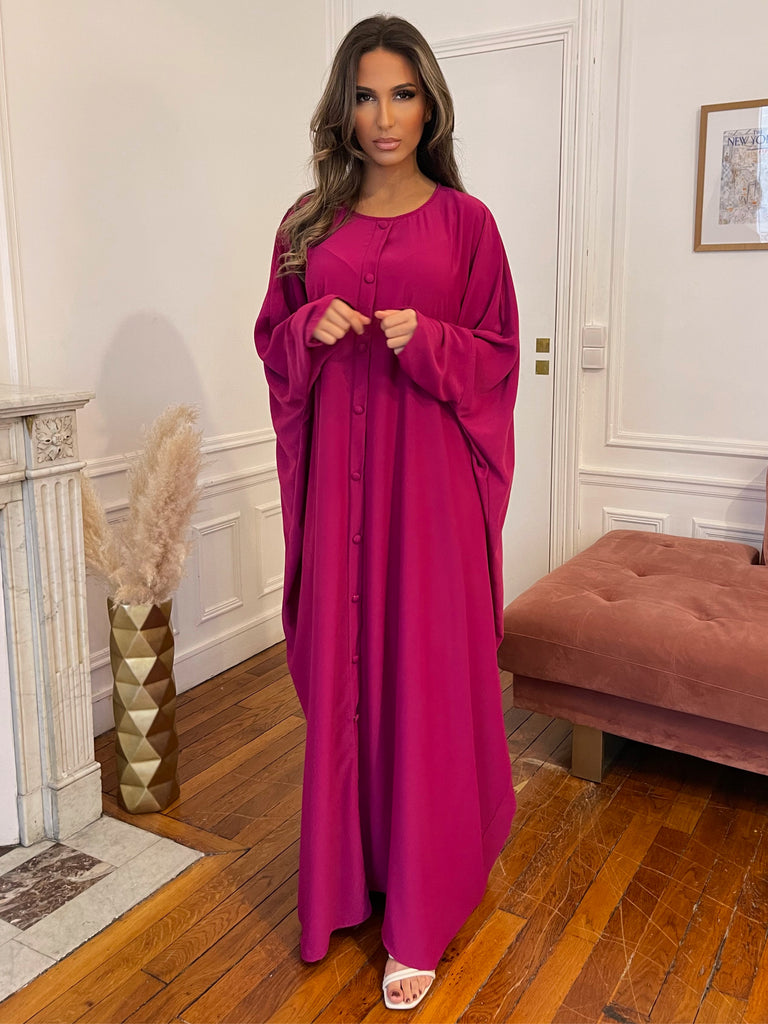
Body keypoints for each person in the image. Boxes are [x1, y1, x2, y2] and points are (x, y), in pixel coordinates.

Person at [254, 14, 519, 1011]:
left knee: (422, 679)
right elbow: (271, 343)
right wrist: (307, 329)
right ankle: (348, 880)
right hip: (340, 490)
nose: (384, 116)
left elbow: (498, 356)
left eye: (402, 94)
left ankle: (420, 906)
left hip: (430, 497)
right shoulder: (305, 225)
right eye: (365, 96)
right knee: (347, 673)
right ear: (343, 108)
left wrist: (432, 340)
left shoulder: (469, 225)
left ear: (429, 104)